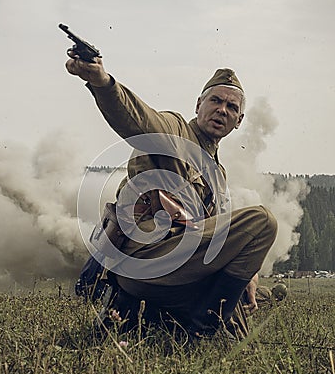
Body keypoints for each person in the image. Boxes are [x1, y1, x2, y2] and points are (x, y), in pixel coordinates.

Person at [65, 52, 278, 339]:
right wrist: (102, 82)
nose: (222, 110)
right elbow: (139, 120)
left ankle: (172, 322)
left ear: (239, 120)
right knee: (263, 221)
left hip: (178, 266)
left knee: (257, 294)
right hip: (148, 259)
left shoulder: (217, 173)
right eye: (215, 101)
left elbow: (213, 237)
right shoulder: (175, 133)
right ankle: (201, 333)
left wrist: (249, 271)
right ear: (199, 105)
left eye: (231, 106)